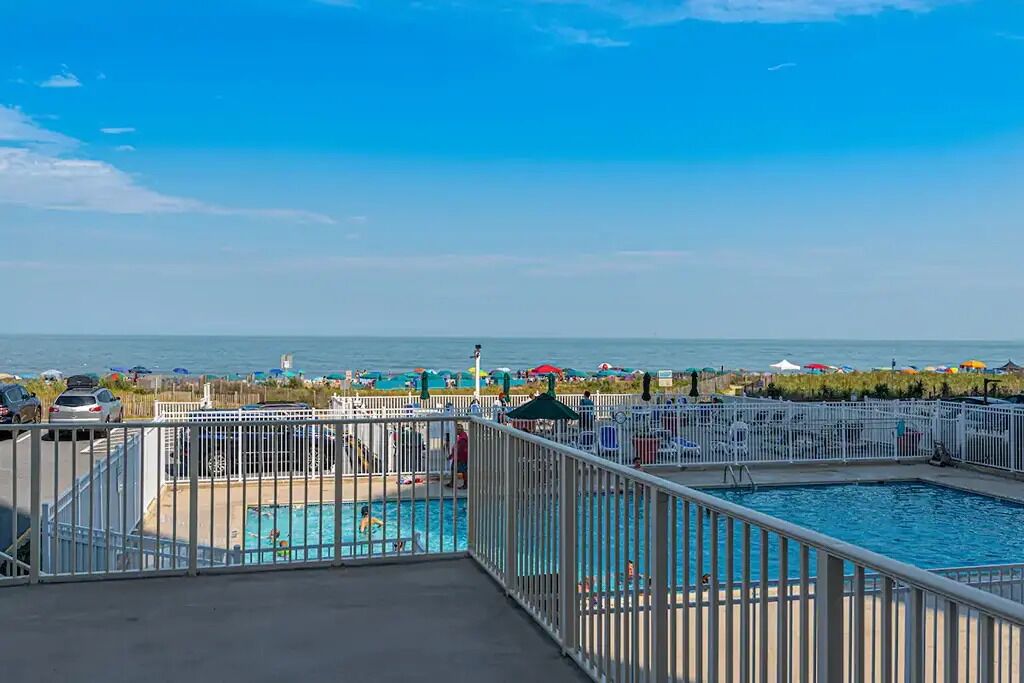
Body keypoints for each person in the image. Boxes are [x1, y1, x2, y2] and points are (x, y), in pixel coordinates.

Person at [445, 423, 469, 489]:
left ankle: (465, 484)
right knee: (455, 469)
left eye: (456, 430)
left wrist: (452, 456)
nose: (455, 432)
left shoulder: (463, 438)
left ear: (460, 430)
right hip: (458, 457)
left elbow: (459, 449)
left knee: (463, 471)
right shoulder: (462, 436)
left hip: (461, 457)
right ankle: (452, 483)